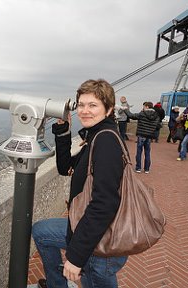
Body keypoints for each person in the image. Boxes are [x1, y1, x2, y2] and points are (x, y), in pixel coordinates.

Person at [32, 79, 128, 288]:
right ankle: (56, 284)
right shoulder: (96, 137)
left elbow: (104, 205)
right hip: (86, 227)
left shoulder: (106, 142)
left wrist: (75, 258)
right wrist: (63, 130)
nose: (84, 111)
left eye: (93, 105)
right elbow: (65, 167)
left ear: (109, 108)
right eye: (81, 105)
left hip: (100, 243)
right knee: (41, 231)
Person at [123, 102, 159, 173]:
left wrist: (125, 109)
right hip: (149, 135)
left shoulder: (142, 114)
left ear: (147, 107)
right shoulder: (156, 115)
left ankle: (138, 168)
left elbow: (131, 115)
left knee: (139, 152)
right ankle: (146, 169)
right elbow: (158, 125)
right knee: (147, 152)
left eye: (144, 106)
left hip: (141, 134)